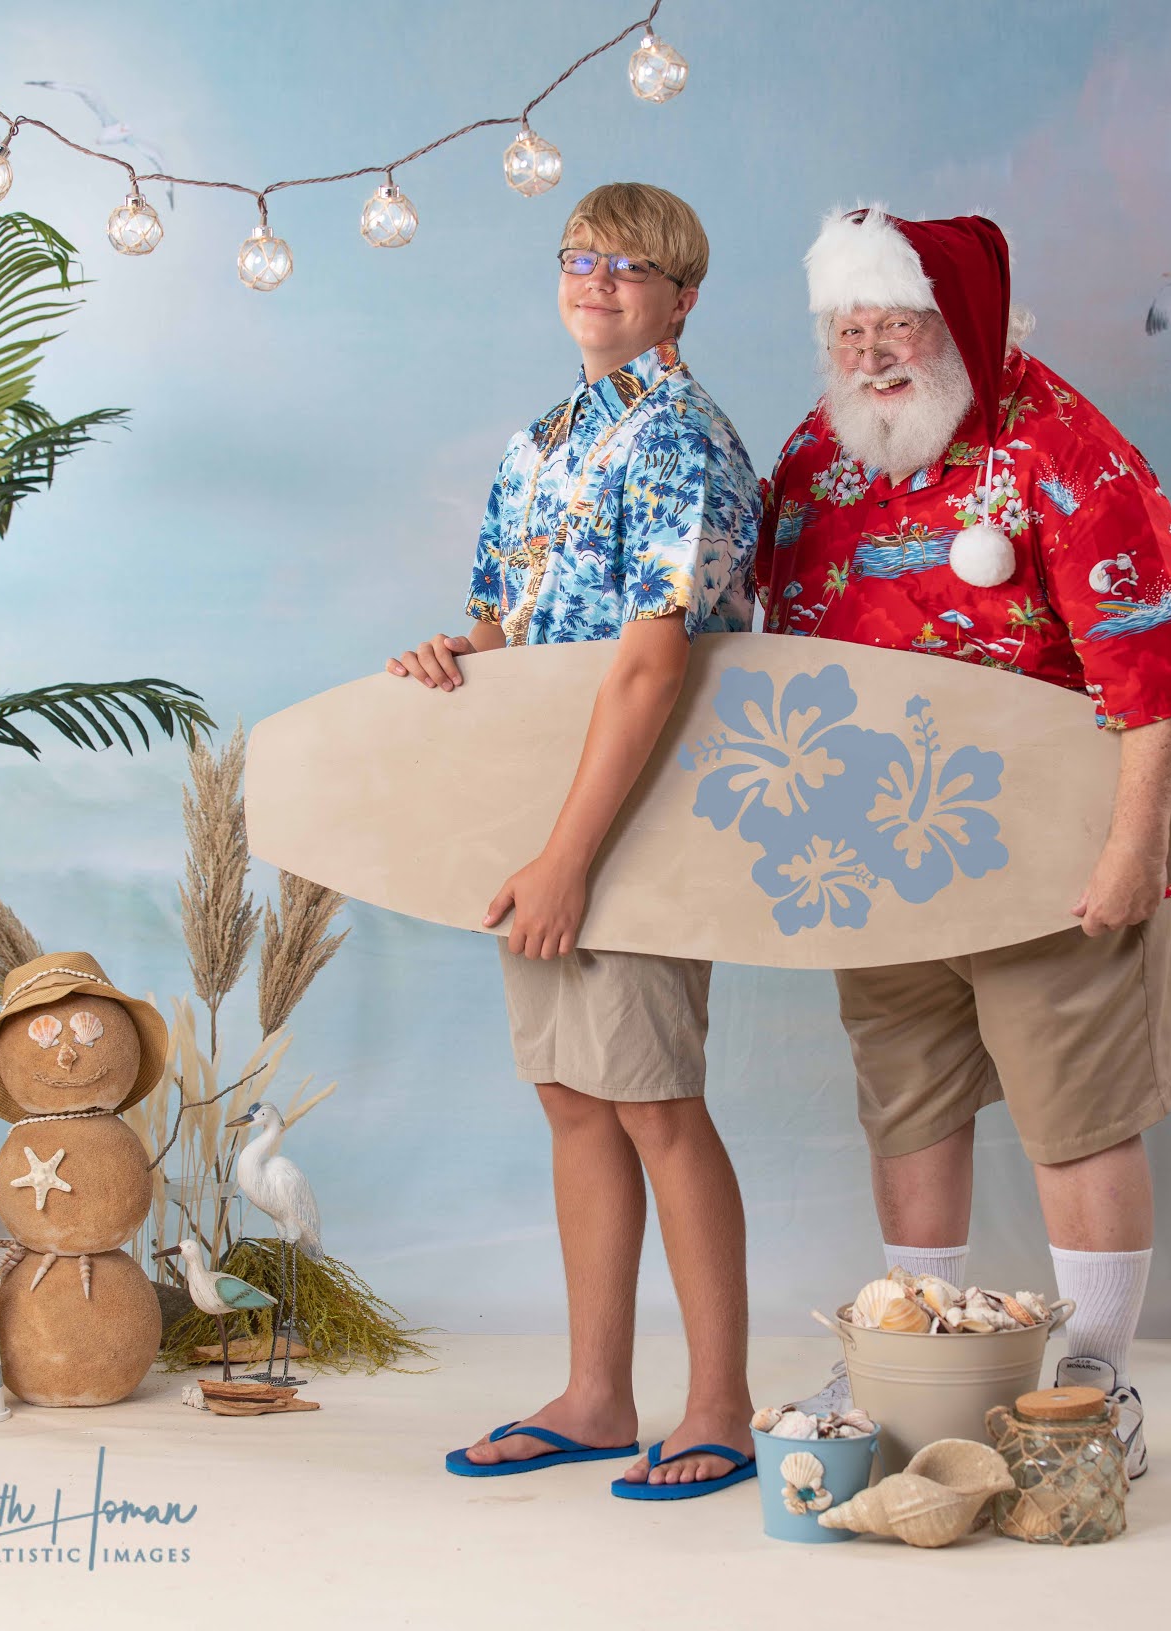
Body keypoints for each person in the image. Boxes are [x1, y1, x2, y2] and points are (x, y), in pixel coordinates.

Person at [762, 207, 1171, 1477]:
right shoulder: (816, 456)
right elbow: (760, 648)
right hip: (877, 856)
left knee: (1076, 1112)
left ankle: (1094, 1383)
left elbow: (1160, 668)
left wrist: (1132, 849)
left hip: (1054, 851)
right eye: (846, 329)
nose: (869, 353)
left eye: (894, 325)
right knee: (907, 1104)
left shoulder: (1065, 448)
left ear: (959, 324)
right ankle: (912, 1360)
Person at [388, 182, 762, 1498]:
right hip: (537, 804)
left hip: (635, 808)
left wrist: (570, 860)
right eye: (579, 257)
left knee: (654, 1096)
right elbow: (513, 623)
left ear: (682, 298)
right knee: (572, 1094)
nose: (596, 280)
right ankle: (598, 1393)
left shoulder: (680, 442)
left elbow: (655, 665)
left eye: (629, 266)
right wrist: (459, 649)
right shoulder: (537, 444)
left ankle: (721, 1404)